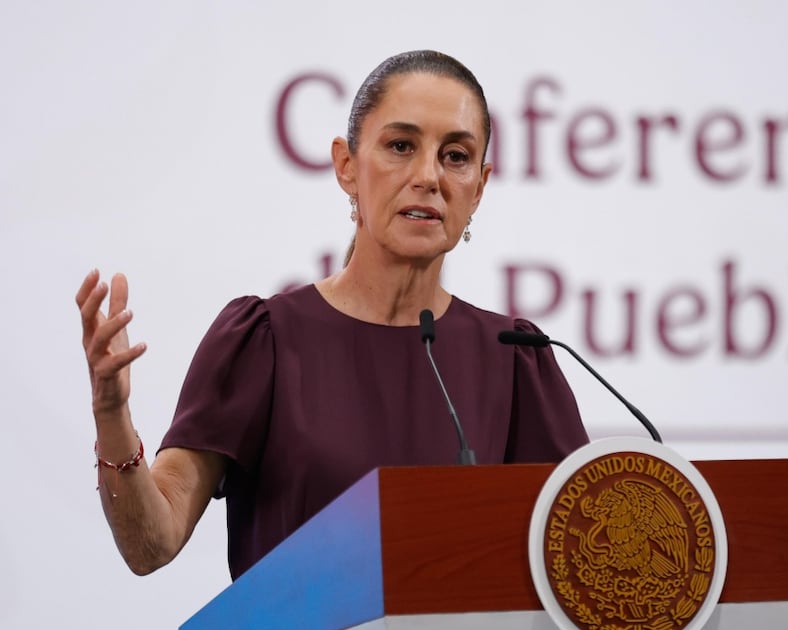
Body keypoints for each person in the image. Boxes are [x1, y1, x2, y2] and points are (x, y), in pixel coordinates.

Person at [76, 50, 589, 581]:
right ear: (347, 165)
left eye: (455, 156)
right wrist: (112, 415)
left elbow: (585, 565)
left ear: (478, 187)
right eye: (401, 146)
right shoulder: (266, 340)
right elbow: (151, 544)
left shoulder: (514, 360)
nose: (428, 176)